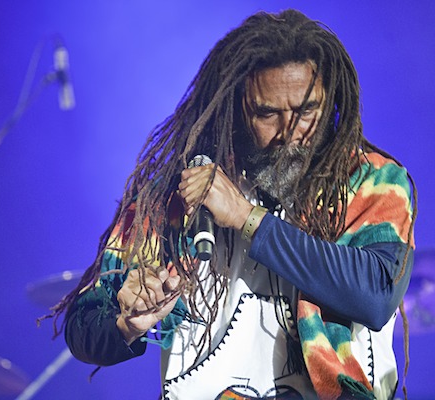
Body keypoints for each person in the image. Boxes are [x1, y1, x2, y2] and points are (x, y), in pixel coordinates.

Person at [48, 9, 417, 400]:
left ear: (331, 101)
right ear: (236, 107)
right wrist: (128, 323)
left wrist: (245, 217)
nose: (291, 132)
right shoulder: (181, 196)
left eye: (307, 110)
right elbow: (83, 326)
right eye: (268, 113)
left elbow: (376, 295)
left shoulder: (370, 181)